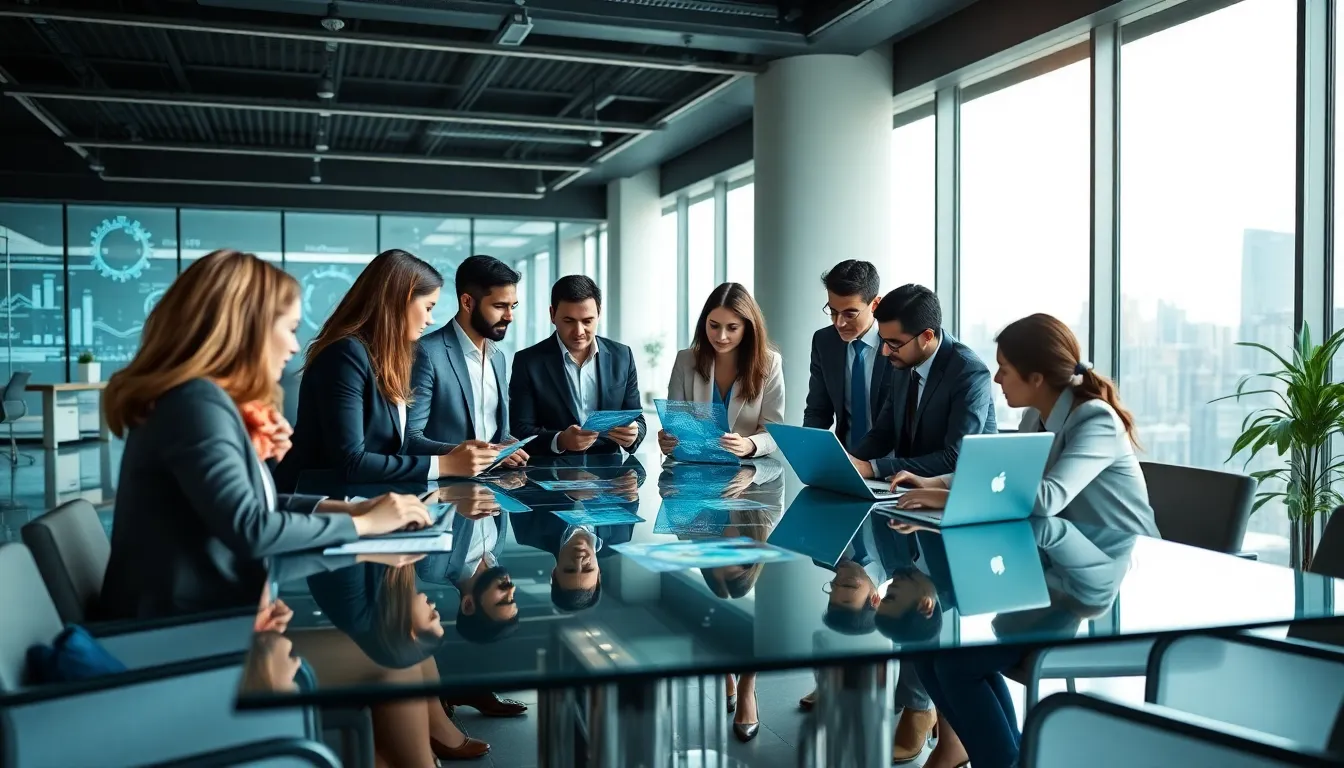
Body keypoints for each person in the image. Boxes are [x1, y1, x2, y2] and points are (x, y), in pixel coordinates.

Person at [99, 250, 432, 621]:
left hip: (193, 609)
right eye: (289, 329)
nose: (293, 347)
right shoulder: (195, 404)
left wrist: (351, 508)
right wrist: (364, 525)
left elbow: (249, 511)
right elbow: (251, 529)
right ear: (247, 328)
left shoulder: (201, 400)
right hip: (170, 627)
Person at [890, 313, 1158, 768]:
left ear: (1036, 377)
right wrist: (933, 482)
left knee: (957, 660)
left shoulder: (1094, 418)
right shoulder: (1041, 412)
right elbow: (1002, 471)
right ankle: (997, 755)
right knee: (935, 649)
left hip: (1103, 579)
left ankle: (1001, 760)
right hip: (1053, 562)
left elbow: (1048, 497)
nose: (996, 378)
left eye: (1005, 369)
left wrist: (946, 499)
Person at [277, 249, 500, 492]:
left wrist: (456, 452)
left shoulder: (387, 358)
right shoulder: (345, 354)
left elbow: (395, 448)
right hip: (317, 506)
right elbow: (350, 462)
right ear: (399, 300)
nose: (430, 319)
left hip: (365, 501)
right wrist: (446, 464)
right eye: (428, 307)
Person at [847, 283, 996, 482]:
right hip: (906, 490)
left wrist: (873, 468)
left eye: (894, 343)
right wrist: (846, 461)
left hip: (959, 495)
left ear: (927, 337)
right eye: (883, 340)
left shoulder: (968, 372)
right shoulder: (904, 360)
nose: (885, 351)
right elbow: (883, 433)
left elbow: (956, 458)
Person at [405, 255, 528, 472]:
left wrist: (509, 447)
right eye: (500, 306)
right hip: (443, 492)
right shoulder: (427, 353)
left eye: (513, 306)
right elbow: (410, 439)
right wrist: (472, 455)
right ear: (467, 302)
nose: (509, 316)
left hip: (495, 487)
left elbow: (497, 433)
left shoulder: (498, 357)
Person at [509, 275, 646, 456]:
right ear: (552, 315)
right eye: (569, 321)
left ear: (599, 313)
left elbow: (637, 418)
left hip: (610, 475)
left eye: (587, 321)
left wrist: (634, 433)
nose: (579, 332)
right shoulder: (528, 361)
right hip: (550, 474)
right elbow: (520, 430)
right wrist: (560, 440)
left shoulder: (622, 356)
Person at [660, 282, 784, 459]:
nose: (721, 336)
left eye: (732, 328)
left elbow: (774, 431)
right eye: (714, 325)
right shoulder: (685, 360)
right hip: (695, 471)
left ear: (747, 328)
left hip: (748, 474)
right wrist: (668, 440)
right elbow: (676, 425)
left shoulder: (770, 363)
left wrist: (749, 444)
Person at [804, 260, 893, 451]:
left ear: (875, 304)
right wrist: (807, 451)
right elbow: (818, 411)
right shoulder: (824, 341)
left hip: (892, 466)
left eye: (850, 314)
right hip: (845, 460)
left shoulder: (898, 343)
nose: (839, 323)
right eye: (833, 312)